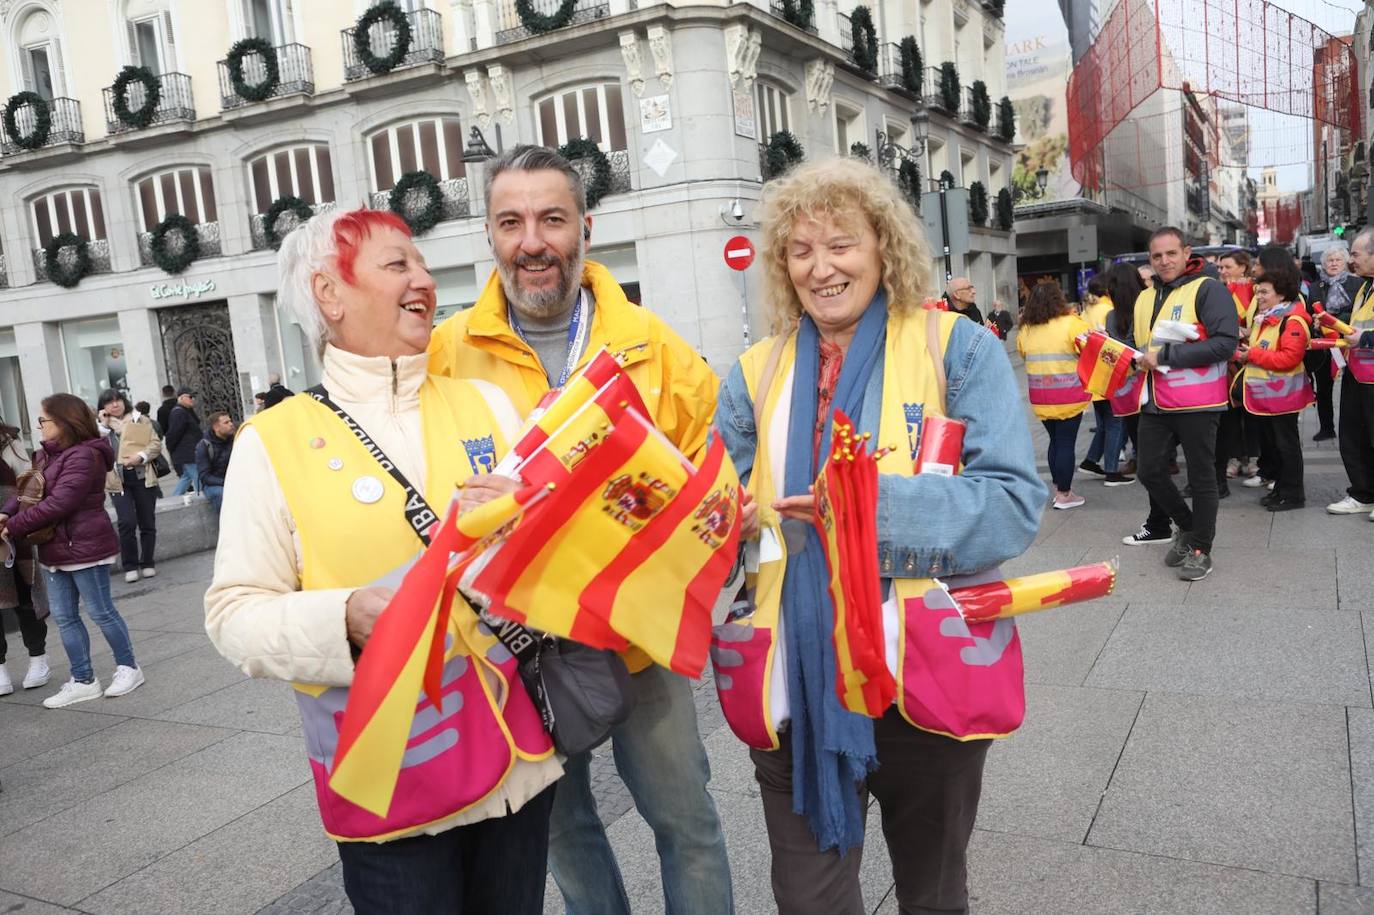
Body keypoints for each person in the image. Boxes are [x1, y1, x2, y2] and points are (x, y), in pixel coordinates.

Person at [714, 157, 1044, 914]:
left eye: (841, 243)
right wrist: (711, 524)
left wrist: (863, 513)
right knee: (809, 900)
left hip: (927, 676)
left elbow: (1011, 505)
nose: (820, 267)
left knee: (932, 893)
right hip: (796, 681)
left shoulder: (958, 349)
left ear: (884, 246)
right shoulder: (751, 375)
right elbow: (721, 520)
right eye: (800, 250)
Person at [205, 208, 559, 914]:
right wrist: (341, 618)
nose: (424, 280)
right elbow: (233, 611)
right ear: (329, 295)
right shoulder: (271, 440)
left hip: (514, 762)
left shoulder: (486, 402)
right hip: (389, 774)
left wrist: (534, 522)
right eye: (398, 265)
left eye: (421, 264)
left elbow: (556, 560)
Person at [426, 144, 731, 915]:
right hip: (515, 647)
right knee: (562, 832)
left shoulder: (656, 347)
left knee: (685, 821)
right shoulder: (446, 353)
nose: (532, 240)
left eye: (551, 218)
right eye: (511, 221)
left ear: (584, 229)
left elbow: (718, 478)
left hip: (638, 639)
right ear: (490, 235)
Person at [0, 394, 144, 708]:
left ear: (64, 422)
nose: (38, 425)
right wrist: (8, 513)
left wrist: (15, 525)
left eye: (43, 420)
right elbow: (29, 491)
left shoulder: (84, 455)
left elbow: (60, 502)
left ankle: (129, 667)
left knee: (101, 612)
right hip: (54, 547)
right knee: (65, 618)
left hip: (85, 545)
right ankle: (83, 680)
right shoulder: (46, 455)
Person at [1119, 227, 1239, 581]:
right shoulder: (1145, 297)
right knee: (1149, 470)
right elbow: (1135, 343)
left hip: (1198, 402)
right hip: (1155, 401)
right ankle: (1188, 527)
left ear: (1187, 252)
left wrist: (1166, 355)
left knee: (1202, 478)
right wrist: (1116, 353)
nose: (1164, 261)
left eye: (1171, 253)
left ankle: (1201, 548)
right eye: (1156, 256)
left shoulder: (1208, 289)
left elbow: (1225, 344)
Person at [1236, 270, 1312, 511]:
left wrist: (1253, 354)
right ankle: (1280, 489)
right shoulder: (1268, 317)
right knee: (1275, 446)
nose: (1258, 296)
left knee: (1286, 446)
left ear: (1281, 295)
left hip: (1283, 398)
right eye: (1257, 291)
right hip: (1267, 398)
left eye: (1264, 292)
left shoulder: (1292, 320)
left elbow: (1289, 358)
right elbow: (1264, 350)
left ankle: (1293, 495)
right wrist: (1246, 353)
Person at [1017, 282, 1092, 508]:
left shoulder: (1026, 330)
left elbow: (1022, 355)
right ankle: (1064, 494)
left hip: (1041, 396)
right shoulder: (1072, 324)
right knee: (1066, 442)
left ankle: (1059, 487)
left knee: (1055, 441)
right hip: (1069, 393)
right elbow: (1088, 351)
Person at [0, 422, 48, 696]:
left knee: (24, 597)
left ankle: (38, 658)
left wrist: (13, 522)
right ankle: (0, 668)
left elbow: (27, 488)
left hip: (11, 531)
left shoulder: (8, 442)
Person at [1329, 227, 1374, 517]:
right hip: (1357, 374)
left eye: (1356, 254)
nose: (1350, 261)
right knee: (1352, 435)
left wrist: (1366, 338)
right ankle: (1363, 493)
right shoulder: (1364, 286)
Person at [97, 390, 162, 583]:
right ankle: (130, 565)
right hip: (118, 481)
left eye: (117, 400)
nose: (115, 405)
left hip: (142, 475)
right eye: (109, 402)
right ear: (103, 407)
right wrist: (103, 426)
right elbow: (95, 450)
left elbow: (155, 444)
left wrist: (140, 457)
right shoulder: (100, 428)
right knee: (126, 522)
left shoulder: (139, 419)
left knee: (147, 522)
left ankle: (148, 562)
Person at [1078, 277, 1134, 486]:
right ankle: (1111, 470)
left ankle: (1090, 460)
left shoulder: (1087, 310)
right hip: (1111, 372)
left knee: (1104, 423)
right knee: (1115, 423)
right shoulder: (1108, 311)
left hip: (1094, 372)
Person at [1309, 245, 1362, 442]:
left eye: (1338, 260)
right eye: (1329, 260)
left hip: (1350, 342)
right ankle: (1326, 427)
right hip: (1325, 345)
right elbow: (1309, 312)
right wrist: (1315, 321)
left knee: (1353, 386)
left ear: (1345, 263)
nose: (1333, 263)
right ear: (1323, 264)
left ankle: (1357, 427)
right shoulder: (1316, 287)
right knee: (1323, 388)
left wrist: (1338, 320)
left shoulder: (1357, 283)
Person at [195, 411, 235, 515]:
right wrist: (226, 482)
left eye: (230, 421)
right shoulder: (204, 445)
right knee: (221, 494)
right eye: (226, 422)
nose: (231, 424)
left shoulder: (236, 439)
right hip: (214, 484)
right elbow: (205, 476)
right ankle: (227, 527)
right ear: (216, 427)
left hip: (234, 481)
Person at [164, 387, 201, 496]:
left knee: (186, 477)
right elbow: (174, 434)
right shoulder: (178, 413)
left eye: (193, 397)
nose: (193, 399)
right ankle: (203, 499)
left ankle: (174, 499)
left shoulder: (185, 411)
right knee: (198, 476)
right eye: (190, 397)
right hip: (187, 452)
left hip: (188, 451)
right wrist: (171, 449)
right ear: (181, 398)